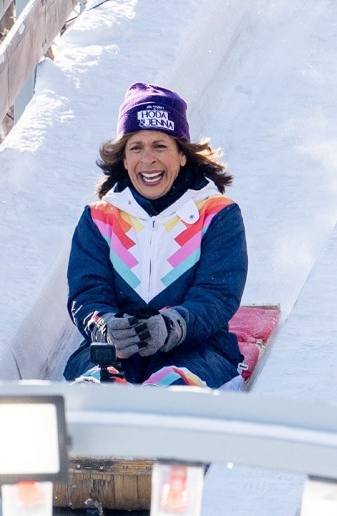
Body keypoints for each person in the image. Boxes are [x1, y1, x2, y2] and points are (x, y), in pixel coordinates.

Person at [63, 83, 247, 389]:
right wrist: (105, 326)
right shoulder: (99, 218)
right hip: (114, 352)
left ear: (182, 154)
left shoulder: (217, 214)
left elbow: (217, 294)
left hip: (198, 349)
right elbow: (88, 293)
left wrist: (173, 325)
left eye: (160, 146)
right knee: (96, 383)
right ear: (124, 158)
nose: (148, 159)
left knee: (172, 386)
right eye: (136, 147)